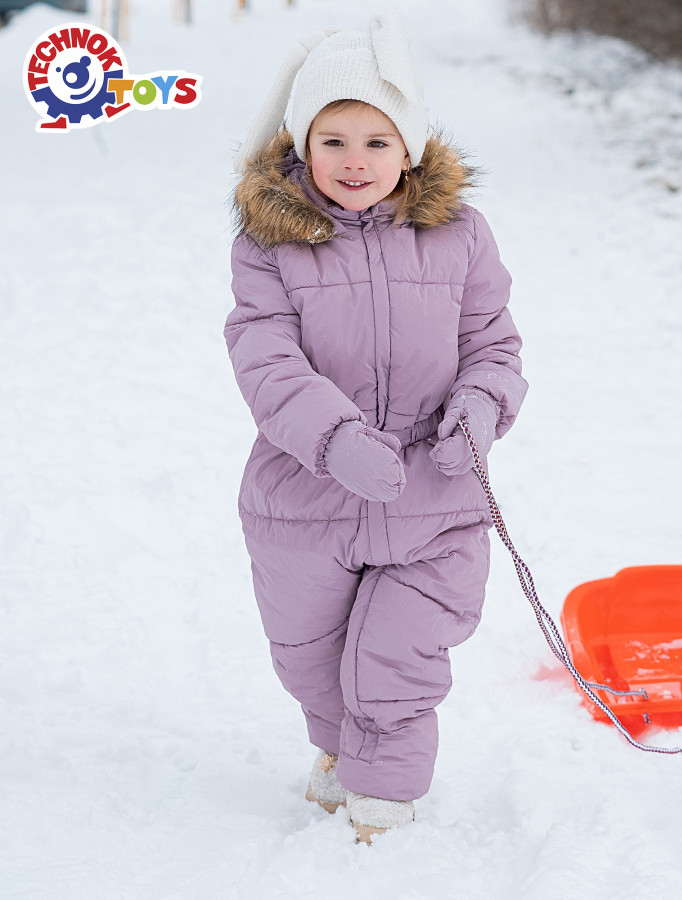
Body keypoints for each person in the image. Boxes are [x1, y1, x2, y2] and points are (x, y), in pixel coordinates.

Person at [225, 12, 527, 843]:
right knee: (312, 660)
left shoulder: (458, 234)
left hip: (435, 498)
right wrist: (332, 439)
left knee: (397, 659)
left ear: (411, 148)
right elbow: (264, 355)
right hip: (305, 499)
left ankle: (384, 805)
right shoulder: (270, 244)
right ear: (302, 145)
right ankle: (339, 745)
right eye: (333, 141)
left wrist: (479, 409)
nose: (354, 161)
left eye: (377, 141)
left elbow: (493, 344)